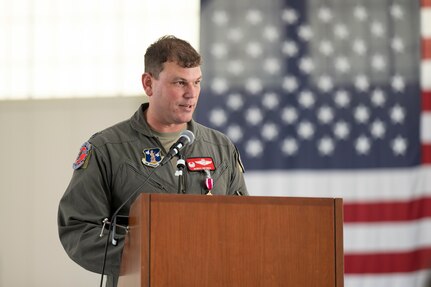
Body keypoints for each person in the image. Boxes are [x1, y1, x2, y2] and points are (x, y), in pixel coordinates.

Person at [57, 35, 249, 287]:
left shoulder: (220, 147)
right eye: (180, 82)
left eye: (197, 82)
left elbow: (244, 223)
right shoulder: (107, 149)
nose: (191, 93)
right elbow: (77, 229)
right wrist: (144, 255)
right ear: (149, 84)